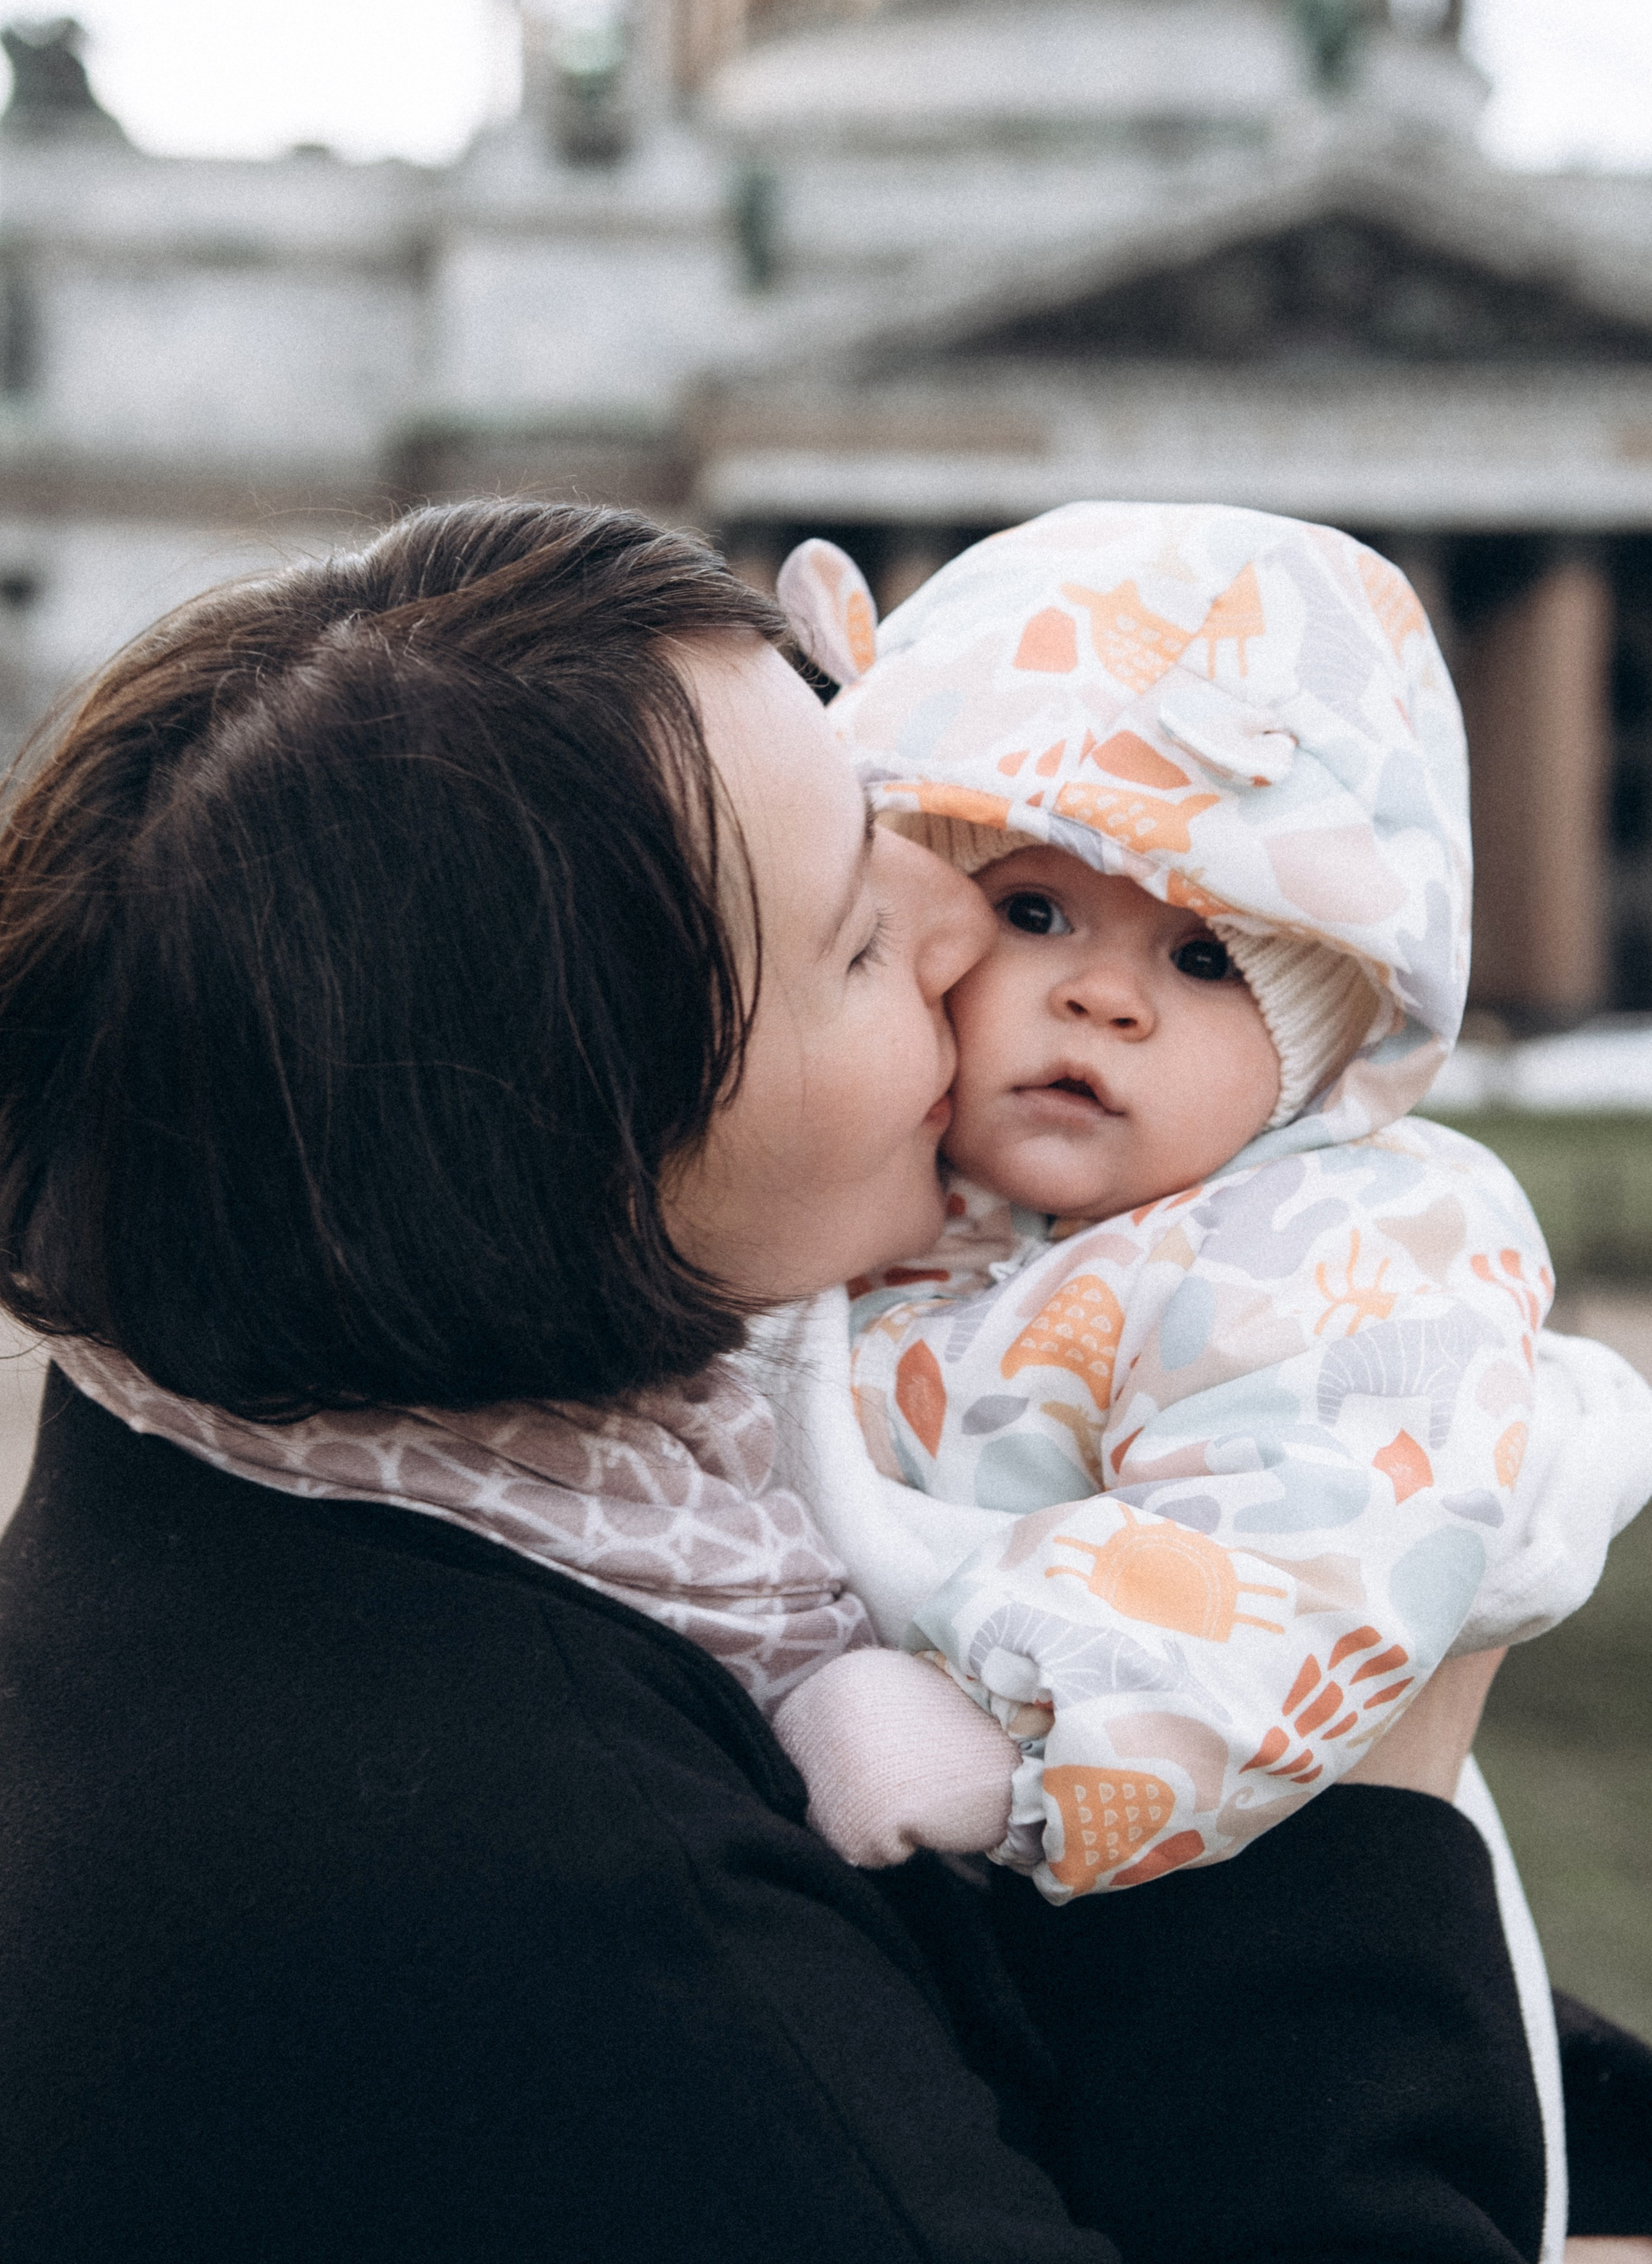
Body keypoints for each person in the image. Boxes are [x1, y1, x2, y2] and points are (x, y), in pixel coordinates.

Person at [0, 498, 1619, 2263]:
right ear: (571, 1161)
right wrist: (1368, 1787)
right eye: (852, 933)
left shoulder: (268, 1472)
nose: (962, 924)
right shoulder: (571, 1902)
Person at [756, 505, 1652, 1923]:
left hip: (1194, 1878)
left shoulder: (1340, 1241)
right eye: (1034, 911)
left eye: (1202, 958)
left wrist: (1013, 1744)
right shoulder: (882, 1185)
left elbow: (1310, 1551)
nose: (1104, 997)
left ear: (1318, 1050)